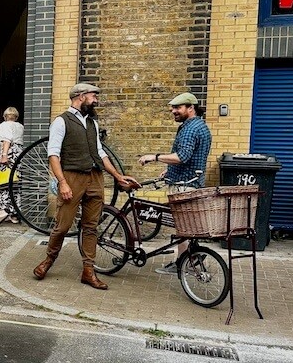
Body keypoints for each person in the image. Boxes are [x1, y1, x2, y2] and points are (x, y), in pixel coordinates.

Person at [32, 83, 141, 290]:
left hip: (95, 177)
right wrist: (62, 182)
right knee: (62, 225)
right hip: (72, 177)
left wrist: (118, 176)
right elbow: (53, 155)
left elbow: (100, 152)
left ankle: (88, 271)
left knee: (91, 226)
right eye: (93, 96)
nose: (96, 100)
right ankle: (48, 260)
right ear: (80, 96)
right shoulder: (61, 121)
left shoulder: (93, 123)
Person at [138, 92, 212, 275]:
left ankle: (187, 262)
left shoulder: (190, 129)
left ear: (190, 108)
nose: (173, 111)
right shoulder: (200, 126)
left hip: (184, 185)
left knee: (183, 227)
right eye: (173, 108)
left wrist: (153, 157)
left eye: (178, 108)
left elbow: (182, 156)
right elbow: (193, 158)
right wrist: (169, 171)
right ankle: (184, 261)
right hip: (192, 182)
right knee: (183, 228)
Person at [0, 107, 24, 226]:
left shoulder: (4, 125)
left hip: (8, 152)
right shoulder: (20, 126)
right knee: (16, 183)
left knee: (3, 182)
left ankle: (4, 210)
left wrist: (4, 155)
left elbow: (6, 140)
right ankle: (15, 213)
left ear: (5, 116)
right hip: (18, 153)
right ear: (16, 116)